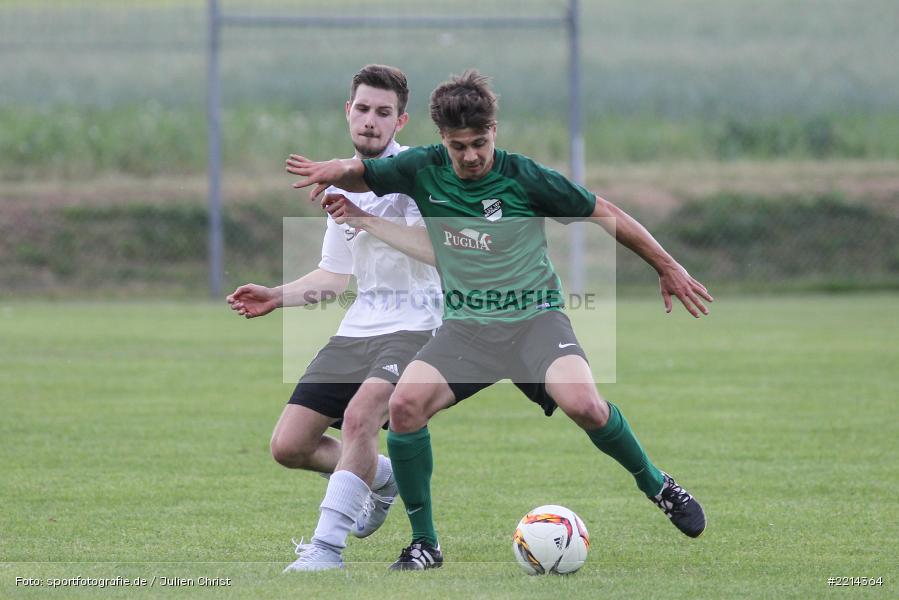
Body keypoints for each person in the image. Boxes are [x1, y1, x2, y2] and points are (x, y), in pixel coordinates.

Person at [285, 69, 714, 571]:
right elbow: (364, 171)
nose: (470, 156)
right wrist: (333, 170)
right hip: (468, 328)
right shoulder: (423, 168)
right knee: (404, 406)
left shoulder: (524, 177)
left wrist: (667, 265)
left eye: (480, 143)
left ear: (494, 131)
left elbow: (606, 212)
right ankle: (425, 544)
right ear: (442, 139)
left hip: (535, 321)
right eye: (458, 146)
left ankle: (656, 484)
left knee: (586, 406)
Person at [228, 65, 442, 572]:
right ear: (348, 112)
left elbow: (436, 250)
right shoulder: (339, 184)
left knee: (360, 418)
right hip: (359, 327)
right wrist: (276, 295)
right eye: (363, 109)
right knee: (289, 445)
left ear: (401, 121)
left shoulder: (418, 173)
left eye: (383, 112)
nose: (371, 120)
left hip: (418, 324)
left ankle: (326, 550)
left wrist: (363, 216)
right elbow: (334, 276)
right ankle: (382, 476)